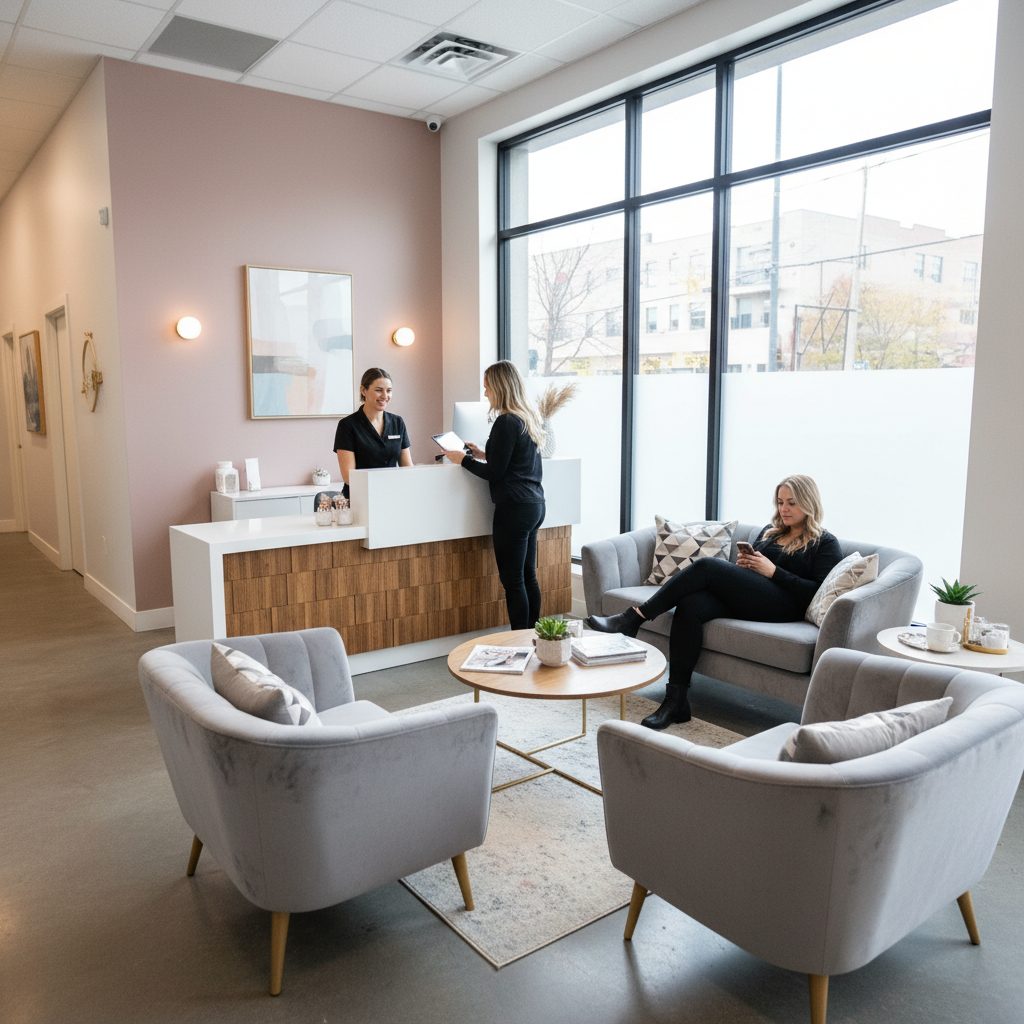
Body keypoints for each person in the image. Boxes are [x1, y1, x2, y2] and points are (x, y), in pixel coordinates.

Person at [585, 475, 842, 730]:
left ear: (808, 502)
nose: (784, 509)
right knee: (691, 604)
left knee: (708, 566)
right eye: (780, 502)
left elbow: (814, 593)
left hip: (784, 607)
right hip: (754, 599)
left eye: (792, 503)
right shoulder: (771, 532)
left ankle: (634, 618)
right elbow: (754, 577)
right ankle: (676, 701)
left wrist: (773, 571)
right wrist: (747, 566)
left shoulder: (825, 542)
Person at [440, 361, 546, 630]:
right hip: (534, 504)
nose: (485, 392)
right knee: (528, 576)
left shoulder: (506, 421)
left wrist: (462, 460)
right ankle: (535, 636)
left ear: (500, 387)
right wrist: (482, 454)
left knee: (513, 581)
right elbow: (514, 461)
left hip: (514, 508)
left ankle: (521, 639)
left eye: (487, 386)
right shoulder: (526, 418)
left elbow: (495, 473)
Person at [333, 367, 412, 499]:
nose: (385, 396)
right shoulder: (347, 425)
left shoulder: (397, 422)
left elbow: (407, 468)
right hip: (361, 498)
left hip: (393, 496)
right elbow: (349, 477)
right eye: (378, 390)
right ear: (363, 390)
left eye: (389, 391)